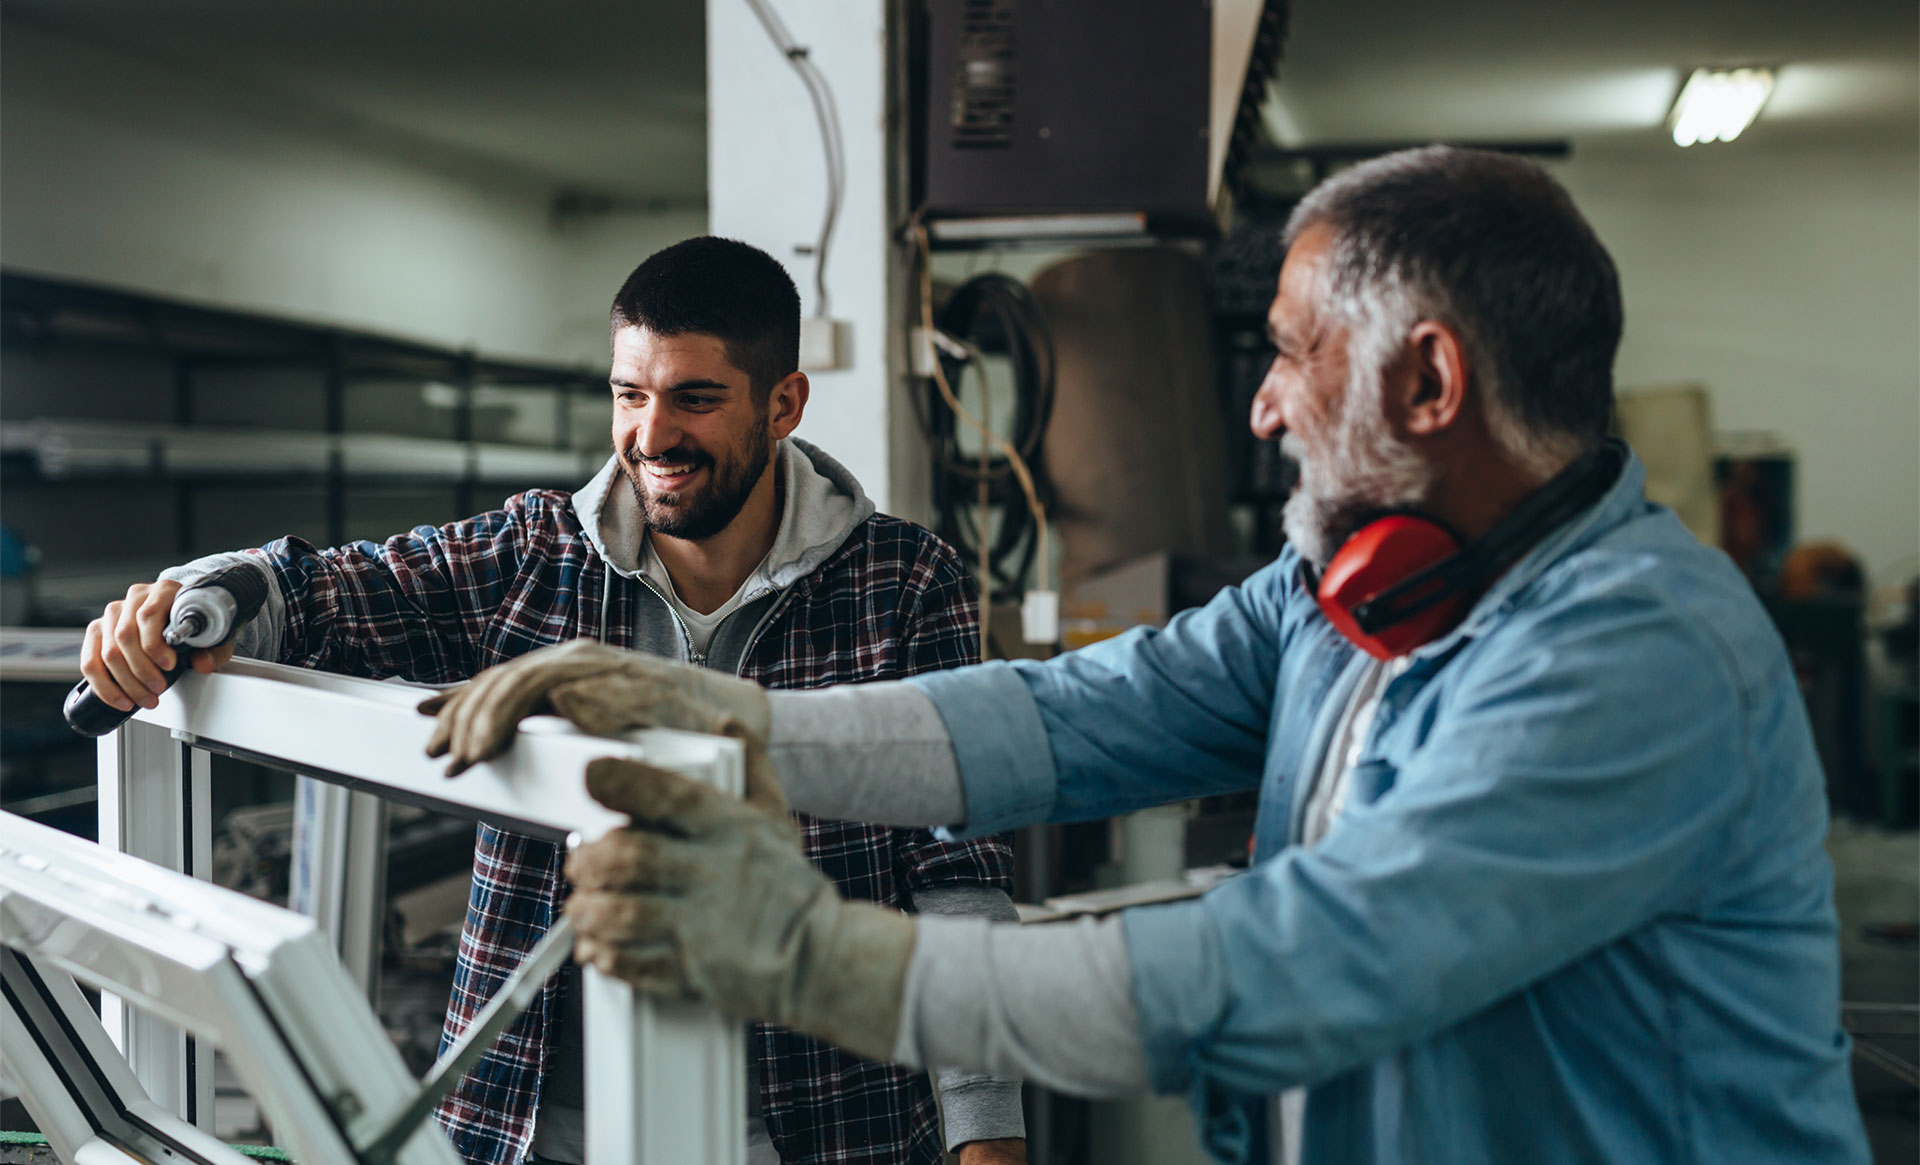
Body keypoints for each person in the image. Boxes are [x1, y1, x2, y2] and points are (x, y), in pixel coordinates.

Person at [426, 148, 1873, 1165]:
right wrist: (740, 720)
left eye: (1295, 353)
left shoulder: (1633, 654)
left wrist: (815, 955)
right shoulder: (1339, 587)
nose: (1259, 407)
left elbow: (1302, 965)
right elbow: (1065, 718)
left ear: (1428, 380)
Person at [79, 237, 1028, 1165]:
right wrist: (184, 603)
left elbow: (955, 872)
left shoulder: (905, 581)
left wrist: (983, 1126)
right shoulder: (535, 555)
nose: (652, 438)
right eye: (629, 394)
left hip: (821, 1120)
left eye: (695, 398)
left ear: (783, 403)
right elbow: (320, 591)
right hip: (537, 1125)